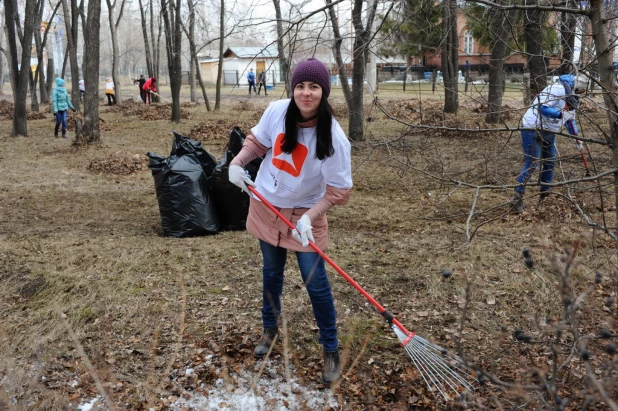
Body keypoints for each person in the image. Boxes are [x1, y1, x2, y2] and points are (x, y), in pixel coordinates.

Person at [228, 58, 351, 385]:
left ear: (324, 92)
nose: (306, 93)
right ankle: (269, 330)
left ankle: (330, 349)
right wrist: (237, 164)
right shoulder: (277, 111)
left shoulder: (334, 138)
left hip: (305, 216)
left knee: (316, 283)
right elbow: (258, 142)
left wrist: (311, 217)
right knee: (271, 272)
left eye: (313, 87)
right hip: (268, 207)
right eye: (300, 86)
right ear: (292, 88)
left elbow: (340, 190)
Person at [510, 74, 587, 212]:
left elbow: (570, 120)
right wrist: (560, 114)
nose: (580, 94)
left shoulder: (574, 99)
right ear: (574, 87)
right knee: (532, 163)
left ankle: (544, 198)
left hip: (550, 132)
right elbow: (542, 107)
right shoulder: (557, 89)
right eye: (579, 91)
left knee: (550, 163)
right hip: (532, 128)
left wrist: (577, 139)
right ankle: (517, 199)